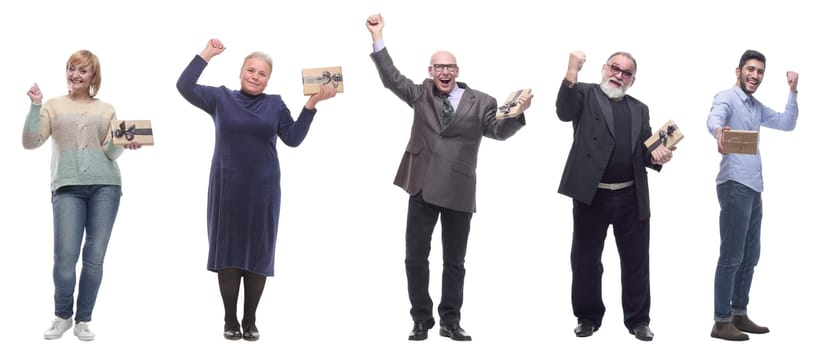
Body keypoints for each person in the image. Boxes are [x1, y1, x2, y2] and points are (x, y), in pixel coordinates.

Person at [365, 14, 532, 342]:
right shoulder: (420, 93)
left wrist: (517, 113)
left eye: (450, 67)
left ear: (458, 71)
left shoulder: (482, 101)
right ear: (430, 72)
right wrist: (378, 36)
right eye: (438, 67)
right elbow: (390, 78)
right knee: (415, 256)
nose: (444, 72)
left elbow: (497, 132)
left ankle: (450, 321)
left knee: (454, 261)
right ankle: (421, 319)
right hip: (422, 185)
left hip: (458, 188)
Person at [176, 39, 336, 342]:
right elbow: (184, 86)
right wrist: (206, 54)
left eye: (262, 74)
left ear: (268, 79)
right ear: (241, 72)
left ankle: (250, 319)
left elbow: (293, 138)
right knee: (228, 252)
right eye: (250, 70)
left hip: (263, 190)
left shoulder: (275, 104)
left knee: (258, 252)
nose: (255, 76)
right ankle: (229, 318)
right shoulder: (220, 98)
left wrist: (311, 105)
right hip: (226, 188)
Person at [22, 50, 142, 341]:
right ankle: (63, 315)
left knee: (94, 258)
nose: (75, 75)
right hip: (66, 187)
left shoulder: (106, 109)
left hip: (106, 187)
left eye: (83, 71)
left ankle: (83, 320)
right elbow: (30, 142)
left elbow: (109, 151)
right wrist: (36, 106)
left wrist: (125, 143)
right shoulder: (52, 105)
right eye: (72, 68)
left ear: (93, 77)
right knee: (64, 258)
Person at [555, 50, 674, 342]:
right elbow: (563, 111)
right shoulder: (584, 94)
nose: (618, 76)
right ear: (604, 68)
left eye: (626, 73)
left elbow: (645, 152)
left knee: (636, 261)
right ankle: (587, 317)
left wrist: (658, 155)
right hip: (591, 195)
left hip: (630, 196)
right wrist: (572, 70)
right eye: (615, 69)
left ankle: (638, 320)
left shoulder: (640, 109)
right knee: (585, 260)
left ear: (632, 80)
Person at [707, 50, 799, 341]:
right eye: (750, 69)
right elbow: (714, 118)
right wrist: (719, 132)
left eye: (760, 71)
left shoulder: (756, 106)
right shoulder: (726, 96)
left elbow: (787, 122)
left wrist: (793, 91)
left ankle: (739, 313)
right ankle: (721, 321)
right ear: (738, 71)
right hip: (734, 185)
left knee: (750, 255)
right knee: (732, 255)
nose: (755, 75)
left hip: (754, 187)